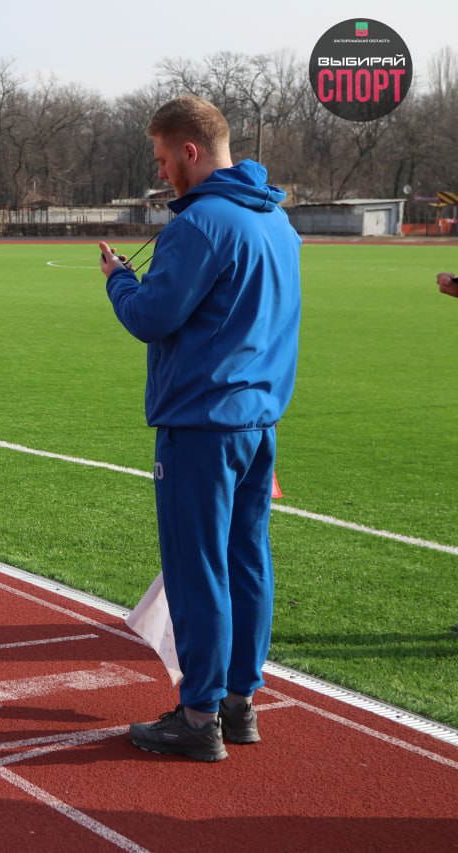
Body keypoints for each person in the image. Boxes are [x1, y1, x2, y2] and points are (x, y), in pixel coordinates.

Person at [98, 95, 302, 762]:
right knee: (248, 559)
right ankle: (241, 703)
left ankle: (199, 714)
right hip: (258, 422)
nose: (162, 174)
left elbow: (153, 316)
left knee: (199, 567)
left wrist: (119, 282)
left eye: (163, 159)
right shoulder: (277, 223)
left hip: (201, 424)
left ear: (191, 151)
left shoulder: (202, 224)